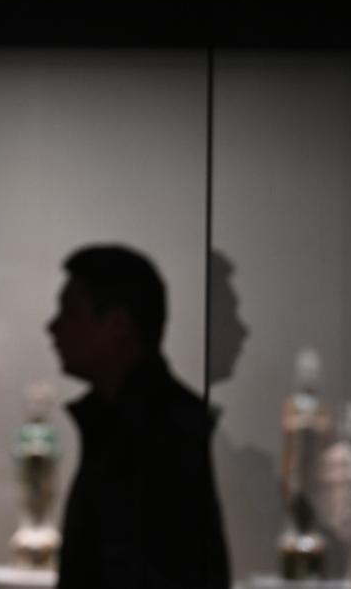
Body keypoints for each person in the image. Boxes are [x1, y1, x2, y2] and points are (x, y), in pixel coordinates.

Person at [48, 245, 230, 588]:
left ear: (118, 324)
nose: (53, 327)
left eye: (70, 313)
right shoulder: (137, 422)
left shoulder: (163, 434)